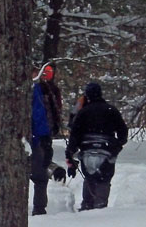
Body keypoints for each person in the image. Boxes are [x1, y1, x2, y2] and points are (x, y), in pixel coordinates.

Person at [65, 82, 128, 211]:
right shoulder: (111, 110)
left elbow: (74, 135)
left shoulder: (83, 113)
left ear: (87, 95)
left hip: (87, 150)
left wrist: (70, 156)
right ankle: (101, 208)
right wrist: (116, 146)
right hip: (107, 149)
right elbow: (123, 132)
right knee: (104, 180)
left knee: (89, 178)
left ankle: (87, 206)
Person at [30, 64, 63, 215]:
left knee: (38, 170)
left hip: (36, 136)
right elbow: (40, 114)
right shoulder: (39, 89)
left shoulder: (46, 89)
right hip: (37, 137)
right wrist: (45, 135)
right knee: (40, 175)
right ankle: (39, 209)